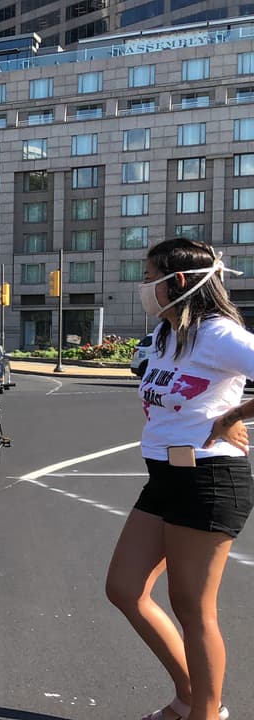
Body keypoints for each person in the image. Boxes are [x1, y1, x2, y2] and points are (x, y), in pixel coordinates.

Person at [106, 239, 253, 720]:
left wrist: (236, 413)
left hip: (209, 477)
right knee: (125, 588)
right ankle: (191, 696)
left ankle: (204, 714)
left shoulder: (218, 333)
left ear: (179, 282)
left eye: (149, 277)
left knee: (192, 607)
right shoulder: (168, 334)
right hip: (164, 477)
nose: (144, 286)